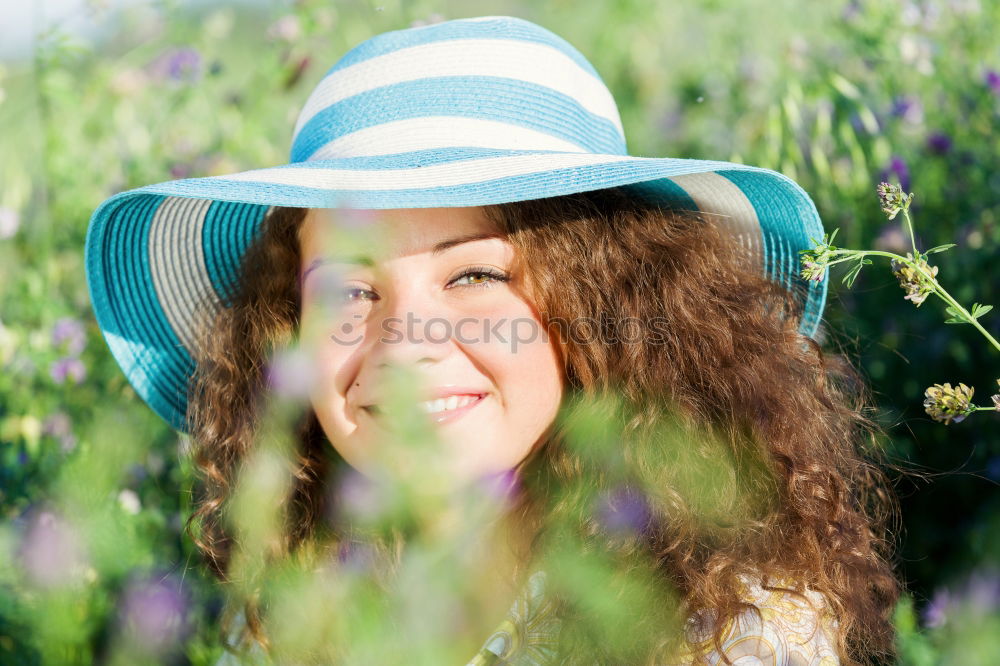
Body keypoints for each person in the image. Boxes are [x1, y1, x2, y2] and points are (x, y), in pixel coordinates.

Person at [84, 15, 899, 665]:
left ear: (604, 305)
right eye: (348, 288)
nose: (404, 345)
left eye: (473, 277)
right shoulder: (281, 623)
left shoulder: (727, 633)